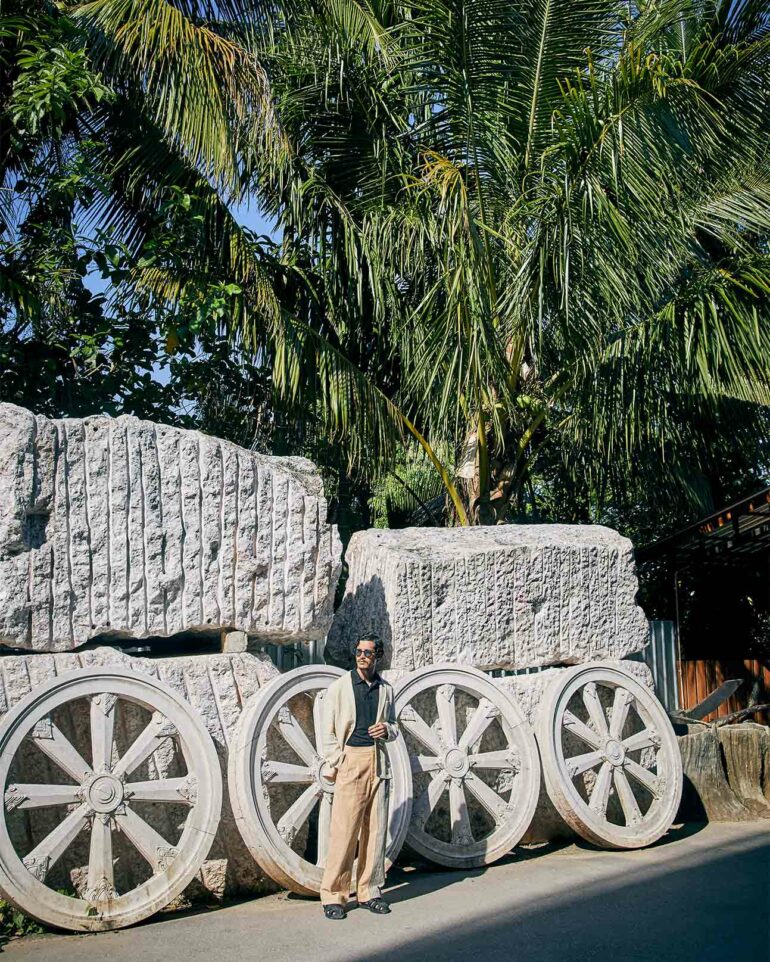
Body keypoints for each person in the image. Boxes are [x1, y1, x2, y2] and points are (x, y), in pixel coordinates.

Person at [319, 634, 399, 920]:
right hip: (351, 759)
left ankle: (370, 891)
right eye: (359, 651)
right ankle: (334, 896)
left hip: (377, 760)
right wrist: (337, 760)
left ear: (378, 656)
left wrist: (387, 730)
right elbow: (326, 730)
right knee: (344, 830)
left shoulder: (385, 690)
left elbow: (394, 725)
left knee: (375, 831)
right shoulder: (340, 688)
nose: (362, 656)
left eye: (368, 652)